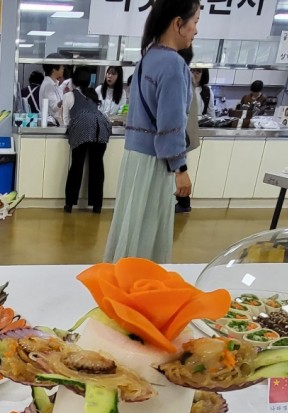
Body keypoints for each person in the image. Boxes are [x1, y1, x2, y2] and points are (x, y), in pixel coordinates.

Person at [103, 0, 199, 263]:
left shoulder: (147, 59)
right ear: (178, 23)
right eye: (195, 22)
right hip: (156, 161)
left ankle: (121, 279)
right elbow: (171, 124)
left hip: (134, 159)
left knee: (130, 227)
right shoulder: (173, 64)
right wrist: (181, 169)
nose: (196, 29)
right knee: (147, 233)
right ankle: (141, 283)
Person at [63, 67, 112, 214]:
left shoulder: (69, 95)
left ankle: (69, 204)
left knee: (77, 166)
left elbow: (66, 120)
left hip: (82, 128)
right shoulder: (94, 95)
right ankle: (97, 206)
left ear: (73, 80)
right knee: (97, 166)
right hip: (101, 127)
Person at [176, 46, 201, 214]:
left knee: (179, 168)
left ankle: (184, 202)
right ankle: (183, 202)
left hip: (181, 135)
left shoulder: (180, 75)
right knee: (179, 168)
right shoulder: (185, 75)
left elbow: (176, 116)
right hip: (183, 134)